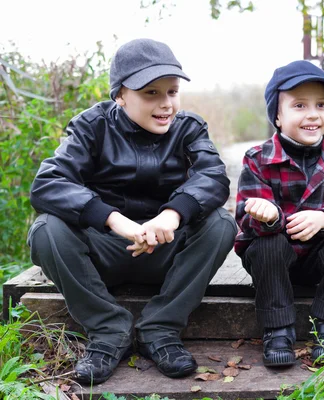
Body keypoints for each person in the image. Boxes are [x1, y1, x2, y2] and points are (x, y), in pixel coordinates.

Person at [27, 38, 237, 384]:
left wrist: (172, 215)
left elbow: (213, 176)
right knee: (47, 229)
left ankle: (161, 328)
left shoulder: (189, 127)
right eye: (151, 93)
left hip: (165, 250)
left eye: (171, 92)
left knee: (220, 224)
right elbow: (48, 183)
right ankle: (109, 331)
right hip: (105, 252)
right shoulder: (90, 126)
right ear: (120, 95)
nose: (166, 104)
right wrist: (115, 221)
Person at [235, 60, 324, 367]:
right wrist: (267, 215)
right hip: (275, 260)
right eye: (299, 105)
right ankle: (278, 329)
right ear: (277, 116)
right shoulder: (259, 158)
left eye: (321, 105)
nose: (312, 114)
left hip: (321, 259)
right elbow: (244, 217)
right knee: (267, 245)